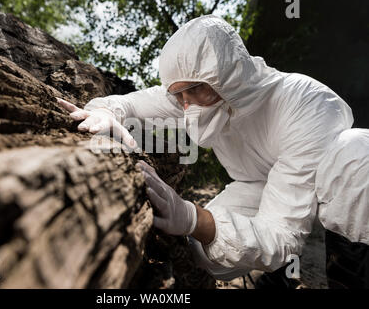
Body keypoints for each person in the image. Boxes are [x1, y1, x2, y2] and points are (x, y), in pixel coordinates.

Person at [56, 15, 369, 288]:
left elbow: (282, 234)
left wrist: (192, 215)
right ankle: (280, 277)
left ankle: (353, 274)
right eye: (179, 94)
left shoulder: (303, 102)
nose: (187, 103)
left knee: (355, 153)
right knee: (203, 248)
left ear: (230, 74)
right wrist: (103, 111)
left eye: (196, 88)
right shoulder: (188, 94)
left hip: (327, 181)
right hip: (258, 186)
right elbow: (129, 103)